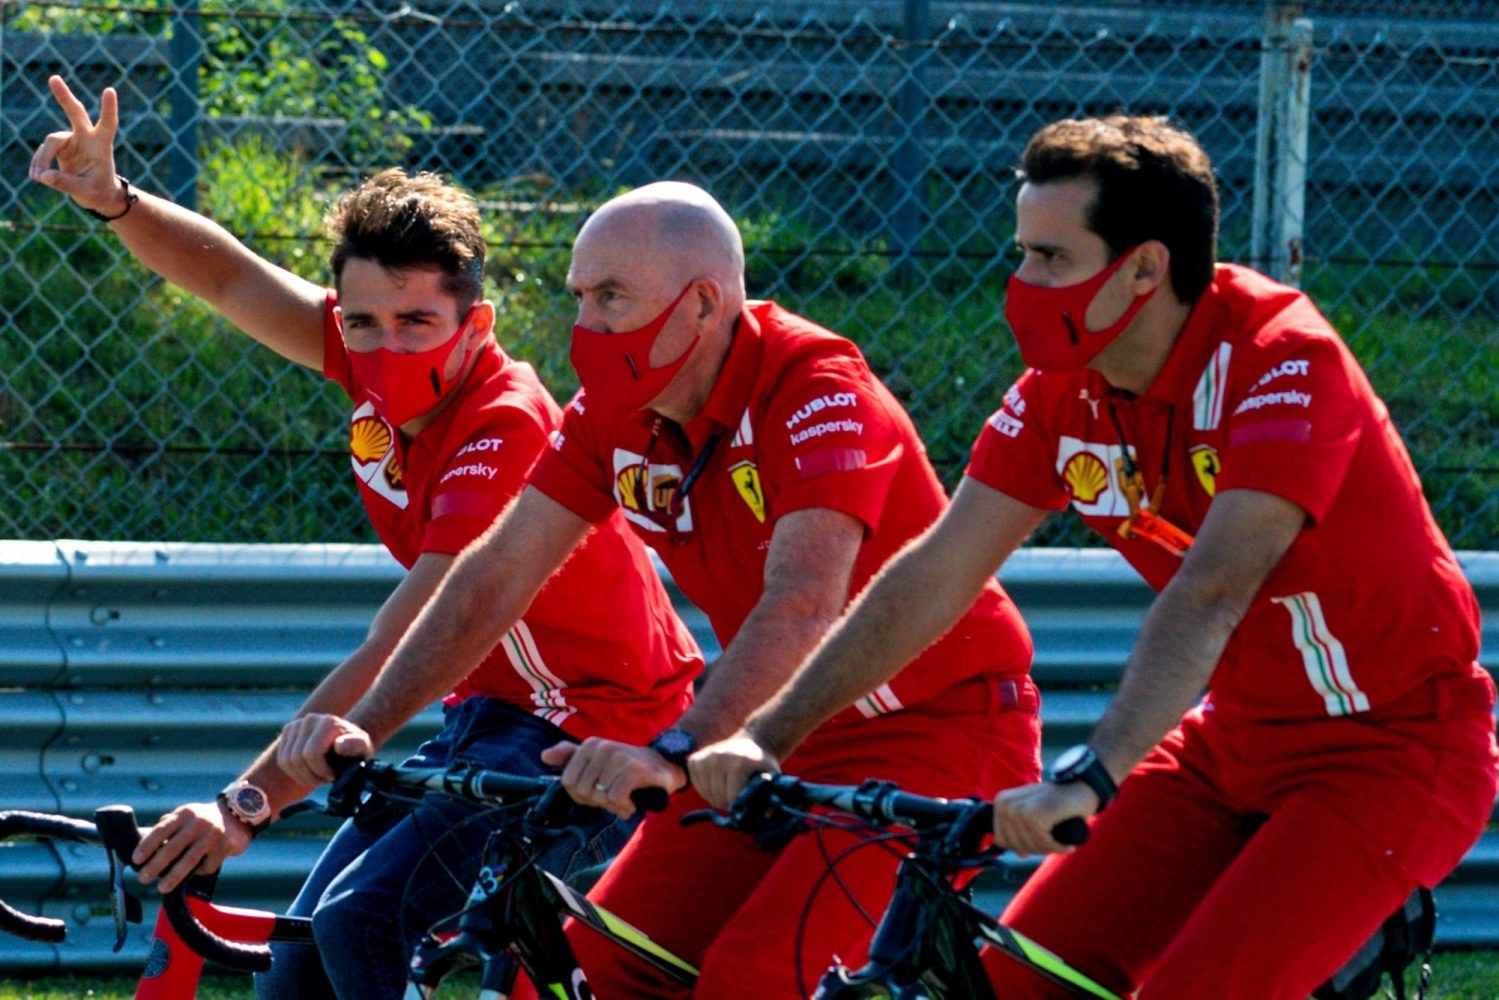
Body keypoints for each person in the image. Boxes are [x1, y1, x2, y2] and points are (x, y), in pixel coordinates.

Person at [691, 114, 1499, 999]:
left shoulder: (1281, 358)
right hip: (1226, 744)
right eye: (1021, 253)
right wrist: (768, 734)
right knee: (1015, 978)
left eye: (1051, 259)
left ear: (1145, 269)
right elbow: (938, 570)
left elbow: (1211, 592)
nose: (1021, 282)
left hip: (1392, 749)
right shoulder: (1060, 389)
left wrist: (1093, 775)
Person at [29, 76, 703, 999]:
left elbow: (410, 630)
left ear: (478, 325)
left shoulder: (506, 424)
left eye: (417, 322)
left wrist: (245, 804)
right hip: (491, 718)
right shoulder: (370, 353)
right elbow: (226, 276)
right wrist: (114, 199)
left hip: (598, 725)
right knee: (298, 957)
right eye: (362, 323)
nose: (386, 351)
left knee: (361, 927)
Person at [293, 179, 1042, 997]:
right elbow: (493, 576)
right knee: (584, 969)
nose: (585, 327)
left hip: (934, 728)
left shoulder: (819, 387)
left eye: (612, 298)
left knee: (751, 979)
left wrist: (675, 750)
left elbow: (803, 603)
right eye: (579, 296)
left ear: (700, 304)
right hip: (760, 731)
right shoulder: (613, 409)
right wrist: (360, 729)